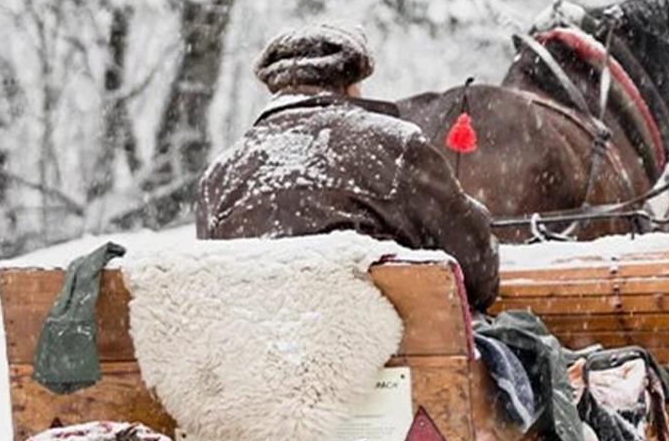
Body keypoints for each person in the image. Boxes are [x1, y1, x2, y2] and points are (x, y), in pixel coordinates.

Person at [195, 22, 500, 309]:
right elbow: (477, 275)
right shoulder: (393, 144)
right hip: (384, 358)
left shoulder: (218, 176)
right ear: (352, 84)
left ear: (276, 88)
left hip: (261, 358)